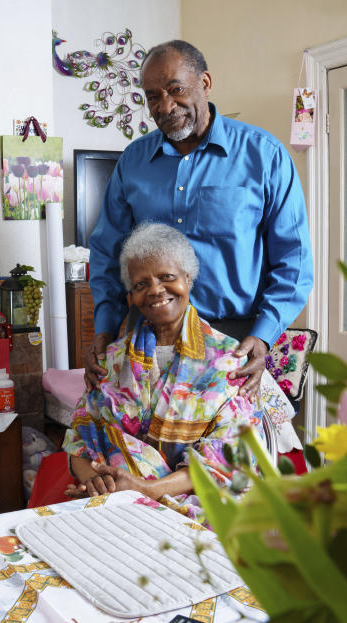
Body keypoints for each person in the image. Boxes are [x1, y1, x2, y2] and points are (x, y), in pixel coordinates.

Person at [85, 40, 313, 399]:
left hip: (234, 341)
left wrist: (265, 334)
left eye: (175, 90)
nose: (165, 106)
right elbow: (106, 253)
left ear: (205, 83)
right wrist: (104, 327)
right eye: (153, 97)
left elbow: (295, 262)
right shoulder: (133, 162)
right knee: (138, 448)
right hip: (148, 340)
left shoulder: (264, 155)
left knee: (225, 453)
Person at [62, 224, 298, 524]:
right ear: (131, 296)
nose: (156, 290)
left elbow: (229, 456)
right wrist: (95, 482)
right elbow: (81, 435)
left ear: (188, 277)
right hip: (116, 501)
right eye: (141, 284)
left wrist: (147, 489)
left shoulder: (230, 360)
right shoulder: (112, 359)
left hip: (199, 502)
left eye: (167, 277)